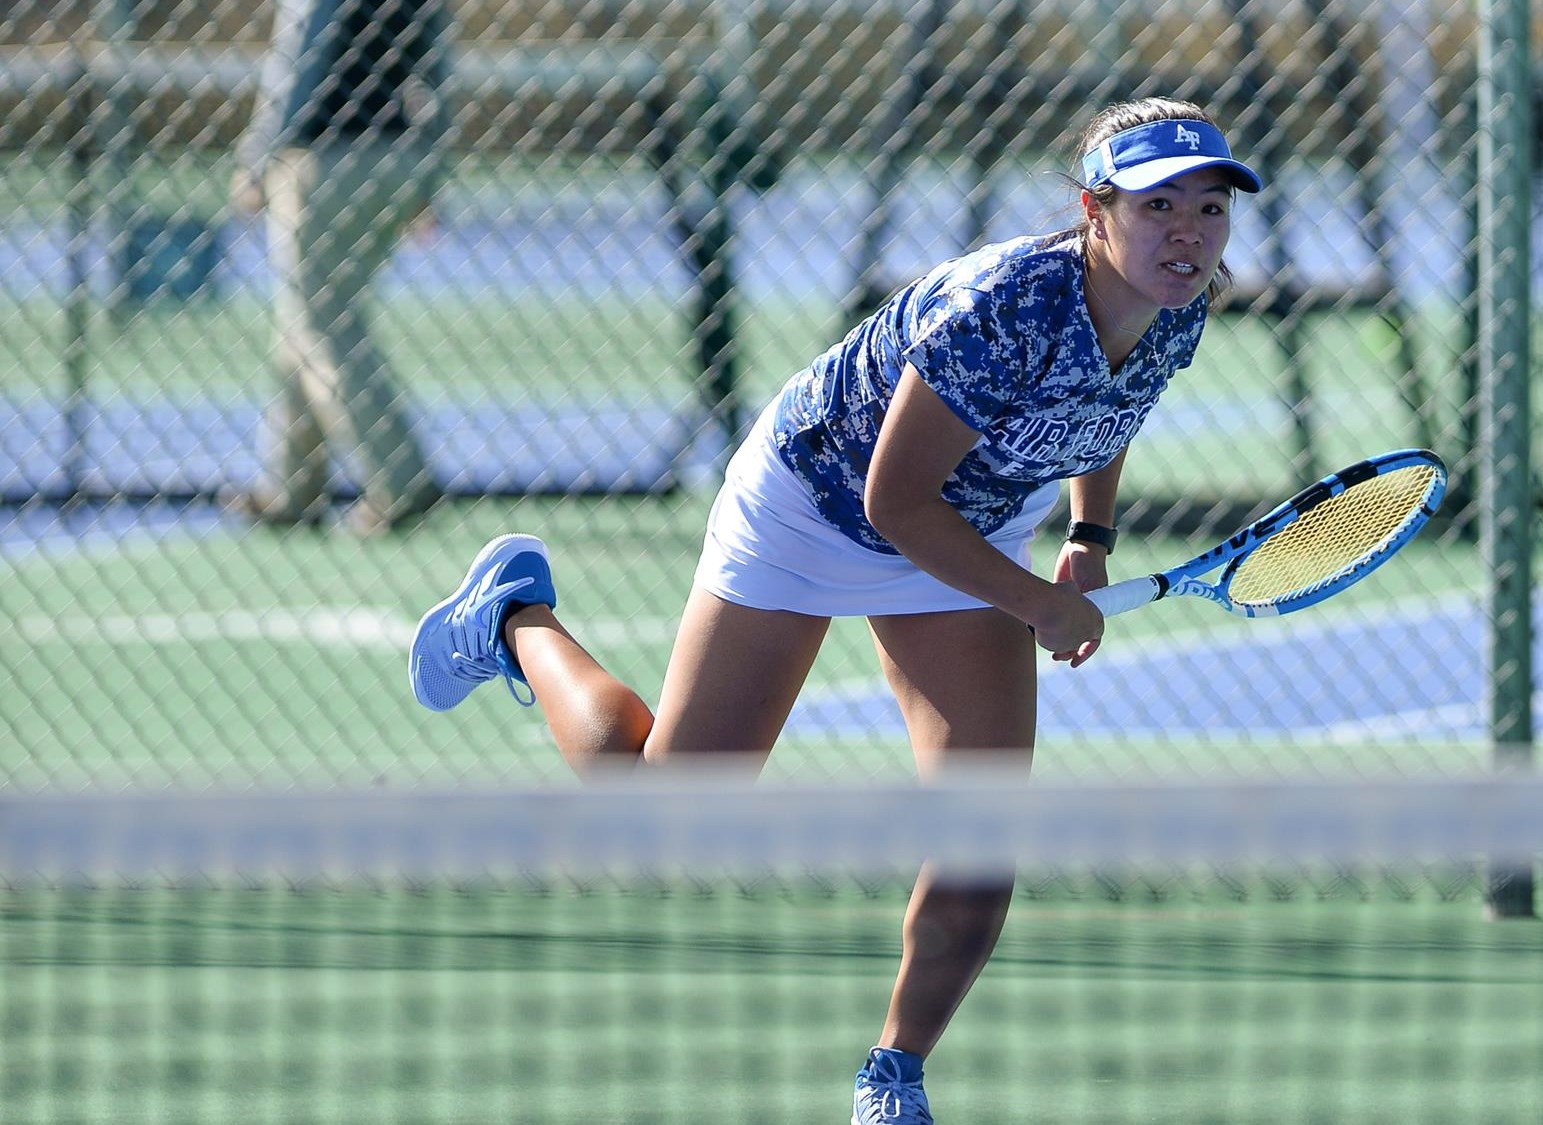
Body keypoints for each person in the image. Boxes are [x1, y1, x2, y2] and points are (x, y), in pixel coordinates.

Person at [407, 97, 1261, 1124]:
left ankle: (891, 1078)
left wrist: (1088, 539)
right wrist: (1037, 604)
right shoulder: (1001, 309)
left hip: (972, 525)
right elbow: (890, 503)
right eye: (1157, 204)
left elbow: (1106, 411)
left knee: (982, 830)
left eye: (1207, 206)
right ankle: (512, 619)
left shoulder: (1183, 299)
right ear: (1093, 209)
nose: (1187, 231)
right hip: (814, 507)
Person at [228, 0, 451, 533]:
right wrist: (429, 173)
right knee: (302, 320)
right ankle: (293, 488)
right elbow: (438, 72)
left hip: (322, 162)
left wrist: (256, 160)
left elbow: (296, 62)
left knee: (318, 324)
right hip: (398, 154)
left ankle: (402, 481)